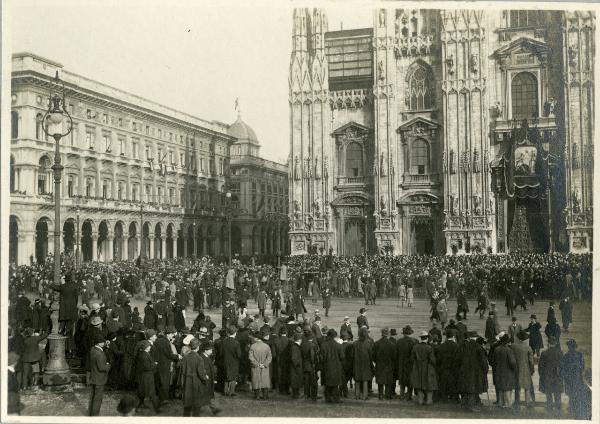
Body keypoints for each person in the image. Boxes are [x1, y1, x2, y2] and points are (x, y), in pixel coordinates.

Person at [457, 331, 488, 412]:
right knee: (473, 388)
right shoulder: (478, 347)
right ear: (476, 337)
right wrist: (485, 369)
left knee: (466, 387)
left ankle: (464, 405)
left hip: (464, 370)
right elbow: (483, 361)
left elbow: (458, 359)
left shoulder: (463, 346)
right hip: (475, 371)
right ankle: (471, 406)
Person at [410, 331, 437, 405]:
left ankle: (420, 400)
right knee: (428, 384)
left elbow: (411, 359)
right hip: (427, 368)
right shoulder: (429, 348)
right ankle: (428, 400)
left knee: (419, 384)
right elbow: (432, 360)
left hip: (417, 367)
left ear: (420, 338)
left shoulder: (415, 347)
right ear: (427, 338)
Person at [560, 339, 585, 417]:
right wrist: (579, 372)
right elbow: (582, 366)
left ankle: (571, 406)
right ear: (575, 347)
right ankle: (576, 406)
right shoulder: (579, 354)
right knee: (576, 392)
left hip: (569, 378)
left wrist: (564, 376)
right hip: (577, 377)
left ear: (569, 347)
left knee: (571, 393)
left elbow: (563, 368)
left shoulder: (565, 356)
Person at [511, 330, 535, 411]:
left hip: (516, 369)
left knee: (517, 386)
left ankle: (517, 401)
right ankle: (527, 402)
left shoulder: (513, 346)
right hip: (526, 369)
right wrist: (532, 370)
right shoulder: (528, 347)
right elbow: (531, 361)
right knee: (527, 386)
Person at [538, 336, 563, 413]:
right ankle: (558, 407)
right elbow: (562, 366)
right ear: (555, 343)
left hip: (547, 376)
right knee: (557, 392)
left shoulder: (544, 353)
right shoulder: (560, 353)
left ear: (548, 344)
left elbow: (540, 367)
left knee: (548, 393)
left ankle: (549, 407)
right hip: (557, 376)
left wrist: (541, 376)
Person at [492, 333, 516, 409]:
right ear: (507, 342)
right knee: (507, 389)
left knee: (501, 388)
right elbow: (512, 362)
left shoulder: (497, 349)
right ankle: (508, 404)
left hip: (499, 371)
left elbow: (494, 361)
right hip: (507, 372)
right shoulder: (508, 350)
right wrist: (514, 369)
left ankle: (500, 403)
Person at [135, 340, 160, 413]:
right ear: (146, 347)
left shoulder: (143, 354)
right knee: (152, 394)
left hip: (144, 377)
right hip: (147, 377)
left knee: (142, 393)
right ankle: (157, 409)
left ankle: (138, 406)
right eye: (149, 346)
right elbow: (147, 367)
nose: (150, 348)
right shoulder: (144, 355)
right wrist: (154, 364)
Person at [88, 334, 110, 416]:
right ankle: (95, 416)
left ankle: (91, 414)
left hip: (94, 377)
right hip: (99, 379)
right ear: (100, 343)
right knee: (98, 399)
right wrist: (108, 365)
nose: (104, 343)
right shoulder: (100, 354)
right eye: (103, 342)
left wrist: (105, 347)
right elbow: (102, 368)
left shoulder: (93, 350)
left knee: (93, 397)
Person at [320, 328, 344, 403]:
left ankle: (328, 398)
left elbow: (321, 357)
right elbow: (342, 357)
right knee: (335, 384)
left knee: (327, 384)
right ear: (335, 336)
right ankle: (336, 398)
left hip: (326, 366)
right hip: (336, 367)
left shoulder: (323, 345)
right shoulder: (339, 346)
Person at [436, 329, 459, 403]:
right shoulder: (456, 346)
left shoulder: (441, 346)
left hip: (443, 367)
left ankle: (444, 397)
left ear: (446, 336)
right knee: (453, 383)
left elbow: (438, 358)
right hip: (453, 368)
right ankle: (453, 397)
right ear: (453, 336)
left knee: (444, 383)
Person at [249, 329, 272, 400]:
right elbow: (269, 357)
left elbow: (250, 357)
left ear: (257, 338)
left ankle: (257, 396)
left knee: (256, 380)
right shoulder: (267, 346)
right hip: (264, 366)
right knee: (265, 380)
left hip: (255, 366)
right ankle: (265, 395)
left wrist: (257, 364)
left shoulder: (252, 346)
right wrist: (265, 364)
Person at [373, 327, 396, 400]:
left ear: (381, 334)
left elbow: (373, 356)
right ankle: (387, 395)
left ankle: (380, 395)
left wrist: (377, 361)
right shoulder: (392, 345)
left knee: (380, 381)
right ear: (388, 334)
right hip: (388, 365)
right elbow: (394, 357)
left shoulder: (377, 343)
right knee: (388, 381)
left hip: (379, 364)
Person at [353, 327, 373, 400]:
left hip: (357, 363)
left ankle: (357, 395)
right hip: (366, 364)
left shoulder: (355, 344)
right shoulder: (368, 344)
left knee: (357, 380)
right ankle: (365, 396)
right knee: (365, 380)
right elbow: (371, 355)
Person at [397, 325, 416, 401]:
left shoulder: (399, 342)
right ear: (410, 333)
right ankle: (409, 395)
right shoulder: (415, 341)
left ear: (404, 333)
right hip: (410, 364)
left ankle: (401, 395)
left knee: (402, 380)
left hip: (401, 363)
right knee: (410, 380)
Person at [221, 325, 241, 397]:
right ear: (235, 333)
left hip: (225, 361)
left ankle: (225, 391)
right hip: (234, 362)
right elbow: (239, 355)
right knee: (233, 376)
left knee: (226, 375)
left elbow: (221, 353)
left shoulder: (224, 341)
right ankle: (231, 392)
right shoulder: (236, 343)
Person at [301, 329, 318, 401]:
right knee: (313, 381)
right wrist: (314, 363)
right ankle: (313, 395)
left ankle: (306, 394)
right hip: (311, 365)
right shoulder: (312, 345)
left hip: (304, 364)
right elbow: (312, 356)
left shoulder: (303, 344)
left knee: (306, 381)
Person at [289, 332, 304, 398]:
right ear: (299, 340)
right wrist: (297, 364)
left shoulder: (294, 346)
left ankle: (296, 393)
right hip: (296, 367)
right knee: (295, 381)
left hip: (295, 367)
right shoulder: (295, 347)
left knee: (296, 381)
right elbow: (294, 358)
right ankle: (295, 394)